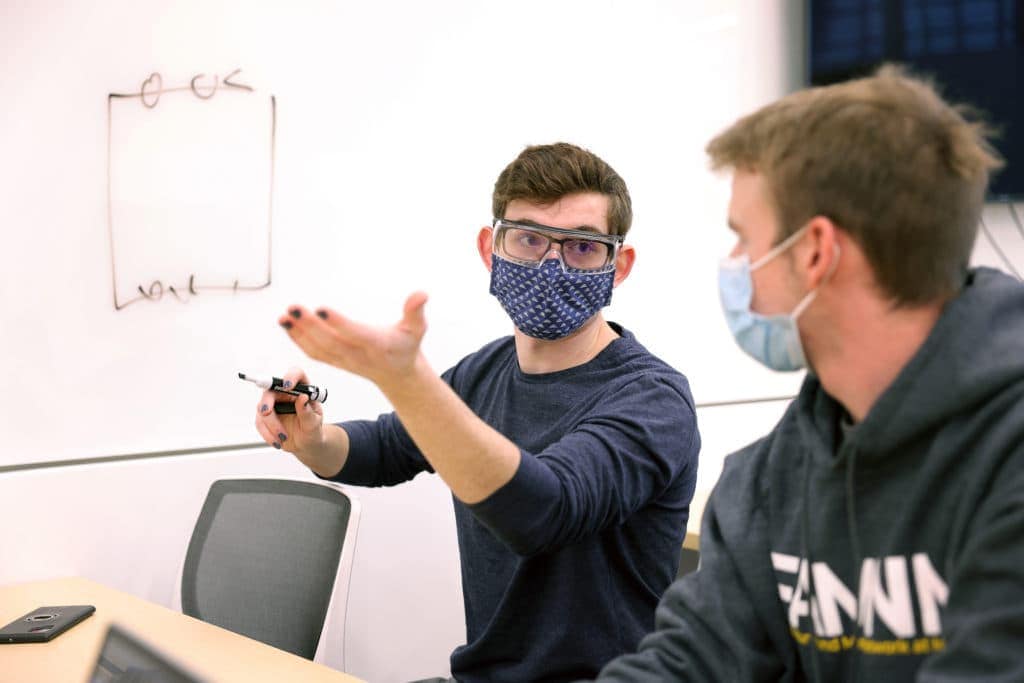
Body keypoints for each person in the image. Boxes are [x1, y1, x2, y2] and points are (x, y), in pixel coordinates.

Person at [583, 65, 1024, 682]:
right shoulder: (771, 478)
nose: (735, 265)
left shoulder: (1008, 457)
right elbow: (688, 663)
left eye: (743, 239)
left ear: (815, 251)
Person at [254, 142, 700, 682]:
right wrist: (311, 440)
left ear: (618, 264)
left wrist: (408, 381)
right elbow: (390, 447)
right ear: (491, 248)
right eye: (529, 239)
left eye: (582, 247)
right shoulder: (486, 371)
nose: (551, 264)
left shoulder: (652, 399)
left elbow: (544, 510)